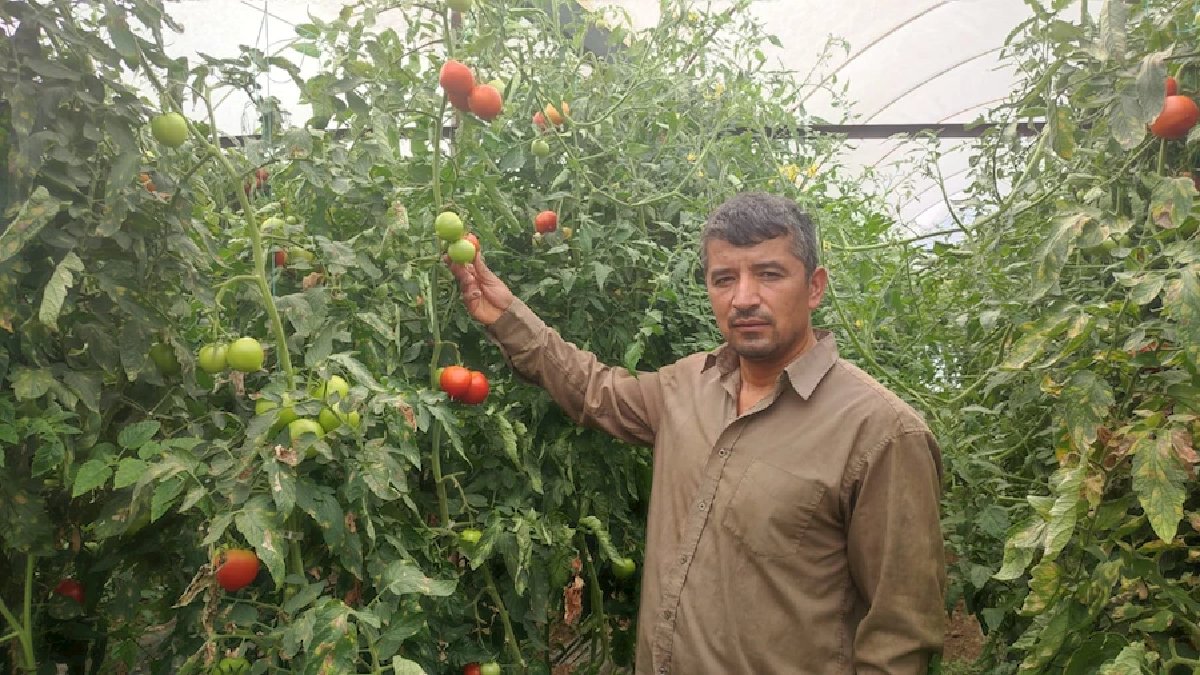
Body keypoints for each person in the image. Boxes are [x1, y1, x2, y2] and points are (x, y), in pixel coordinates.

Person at [447, 191, 946, 674]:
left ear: (814, 286)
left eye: (769, 275)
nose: (744, 298)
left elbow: (899, 636)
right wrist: (507, 317)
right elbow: (594, 390)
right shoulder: (689, 385)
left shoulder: (881, 433)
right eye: (724, 278)